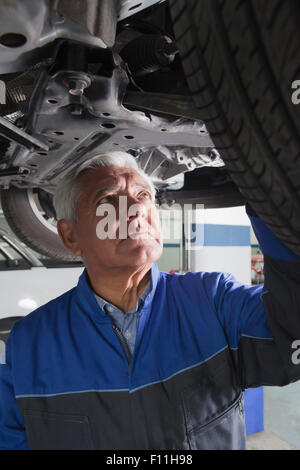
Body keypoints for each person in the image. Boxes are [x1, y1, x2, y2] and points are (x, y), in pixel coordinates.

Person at [0, 150, 300, 450]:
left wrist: (275, 195)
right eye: (108, 200)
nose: (134, 209)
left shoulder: (212, 301)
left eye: (143, 195)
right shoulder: (30, 344)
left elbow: (291, 334)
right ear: (70, 236)